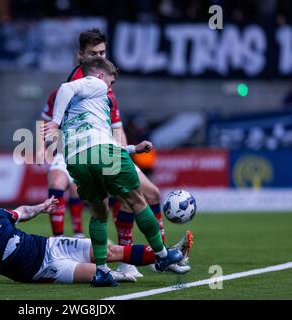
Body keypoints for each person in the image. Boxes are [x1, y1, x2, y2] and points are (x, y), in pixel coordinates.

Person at [39, 29, 189, 277]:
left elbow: (115, 126)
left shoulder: (100, 87)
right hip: (100, 151)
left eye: (102, 52)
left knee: (104, 208)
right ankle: (160, 256)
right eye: (92, 53)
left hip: (82, 156)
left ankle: (105, 269)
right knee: (138, 198)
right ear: (80, 55)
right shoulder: (90, 80)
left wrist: (130, 151)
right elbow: (60, 102)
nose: (98, 56)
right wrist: (53, 129)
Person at [0, 192, 192, 287]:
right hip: (43, 270)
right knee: (102, 272)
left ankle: (166, 255)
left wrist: (41, 207)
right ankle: (159, 260)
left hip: (50, 245)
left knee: (113, 250)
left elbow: (21, 212)